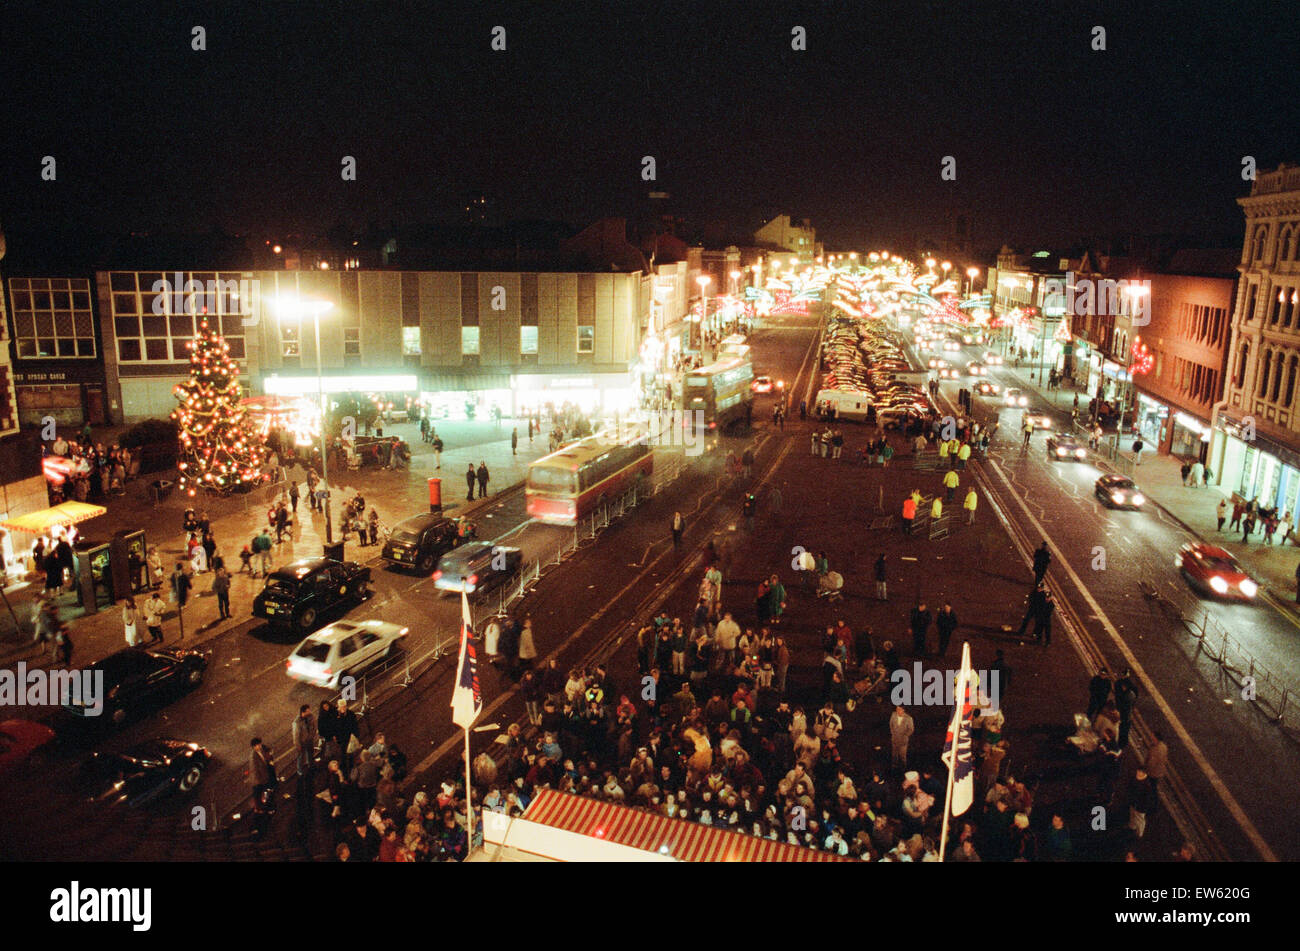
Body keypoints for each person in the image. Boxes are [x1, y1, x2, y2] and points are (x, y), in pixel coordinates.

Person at [293, 704, 318, 779]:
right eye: (307, 711)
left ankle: (310, 765)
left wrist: (312, 735)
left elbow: (314, 726)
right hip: (302, 742)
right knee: (300, 756)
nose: (309, 712)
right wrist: (298, 745)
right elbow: (296, 736)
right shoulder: (297, 722)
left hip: (309, 739)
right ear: (303, 712)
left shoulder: (311, 716)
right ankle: (299, 770)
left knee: (310, 753)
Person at [890, 705, 914, 771]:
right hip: (894, 739)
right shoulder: (893, 715)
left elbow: (911, 729)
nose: (897, 711)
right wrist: (893, 733)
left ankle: (903, 770)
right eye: (896, 709)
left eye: (899, 709)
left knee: (902, 757)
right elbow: (891, 724)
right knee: (894, 755)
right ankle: (894, 769)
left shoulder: (909, 718)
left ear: (903, 710)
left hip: (903, 741)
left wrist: (905, 735)